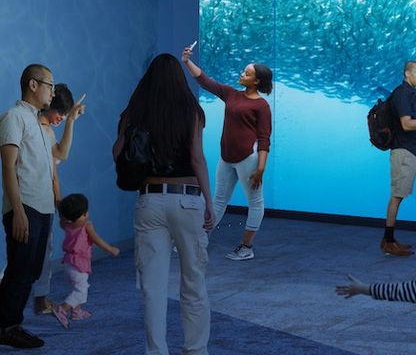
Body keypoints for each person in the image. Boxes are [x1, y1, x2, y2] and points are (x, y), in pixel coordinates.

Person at [114, 53, 215, 355]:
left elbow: (118, 154)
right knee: (194, 283)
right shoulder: (191, 111)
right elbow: (197, 158)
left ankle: (156, 351)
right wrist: (210, 202)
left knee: (153, 289)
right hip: (187, 199)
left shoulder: (134, 111)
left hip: (150, 201)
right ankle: (195, 351)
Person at [182, 43, 272, 261]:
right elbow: (205, 81)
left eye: (247, 73)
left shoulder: (261, 106)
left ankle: (246, 247)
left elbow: (263, 139)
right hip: (226, 158)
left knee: (255, 202)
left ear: (257, 81)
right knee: (218, 200)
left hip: (247, 161)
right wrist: (186, 61)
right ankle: (199, 240)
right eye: (244, 71)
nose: (242, 74)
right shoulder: (231, 94)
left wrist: (260, 169)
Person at [0, 64, 57, 349]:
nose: (53, 91)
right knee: (20, 270)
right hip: (26, 208)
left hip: (43, 208)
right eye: (50, 84)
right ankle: (9, 326)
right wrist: (18, 211)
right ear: (33, 85)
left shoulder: (38, 121)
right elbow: (8, 168)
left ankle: (7, 322)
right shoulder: (14, 117)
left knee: (30, 271)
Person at [33, 84, 86, 315]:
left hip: (45, 199)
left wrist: (59, 203)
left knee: (45, 250)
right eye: (60, 114)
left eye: (64, 116)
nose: (61, 119)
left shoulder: (48, 130)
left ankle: (40, 300)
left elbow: (57, 164)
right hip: (31, 199)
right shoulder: (33, 127)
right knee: (30, 254)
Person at [382, 60, 416, 256]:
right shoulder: (403, 93)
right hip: (403, 150)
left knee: (399, 196)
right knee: (396, 196)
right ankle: (388, 241)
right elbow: (406, 124)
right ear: (407, 74)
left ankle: (390, 239)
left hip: (409, 150)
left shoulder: (409, 94)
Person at [49, 193, 120, 329]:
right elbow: (96, 240)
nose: (87, 214)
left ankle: (77, 312)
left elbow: (62, 220)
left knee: (79, 288)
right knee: (81, 291)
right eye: (85, 212)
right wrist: (111, 249)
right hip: (79, 265)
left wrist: (63, 213)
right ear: (82, 215)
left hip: (68, 264)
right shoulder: (87, 226)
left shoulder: (66, 225)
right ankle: (62, 309)